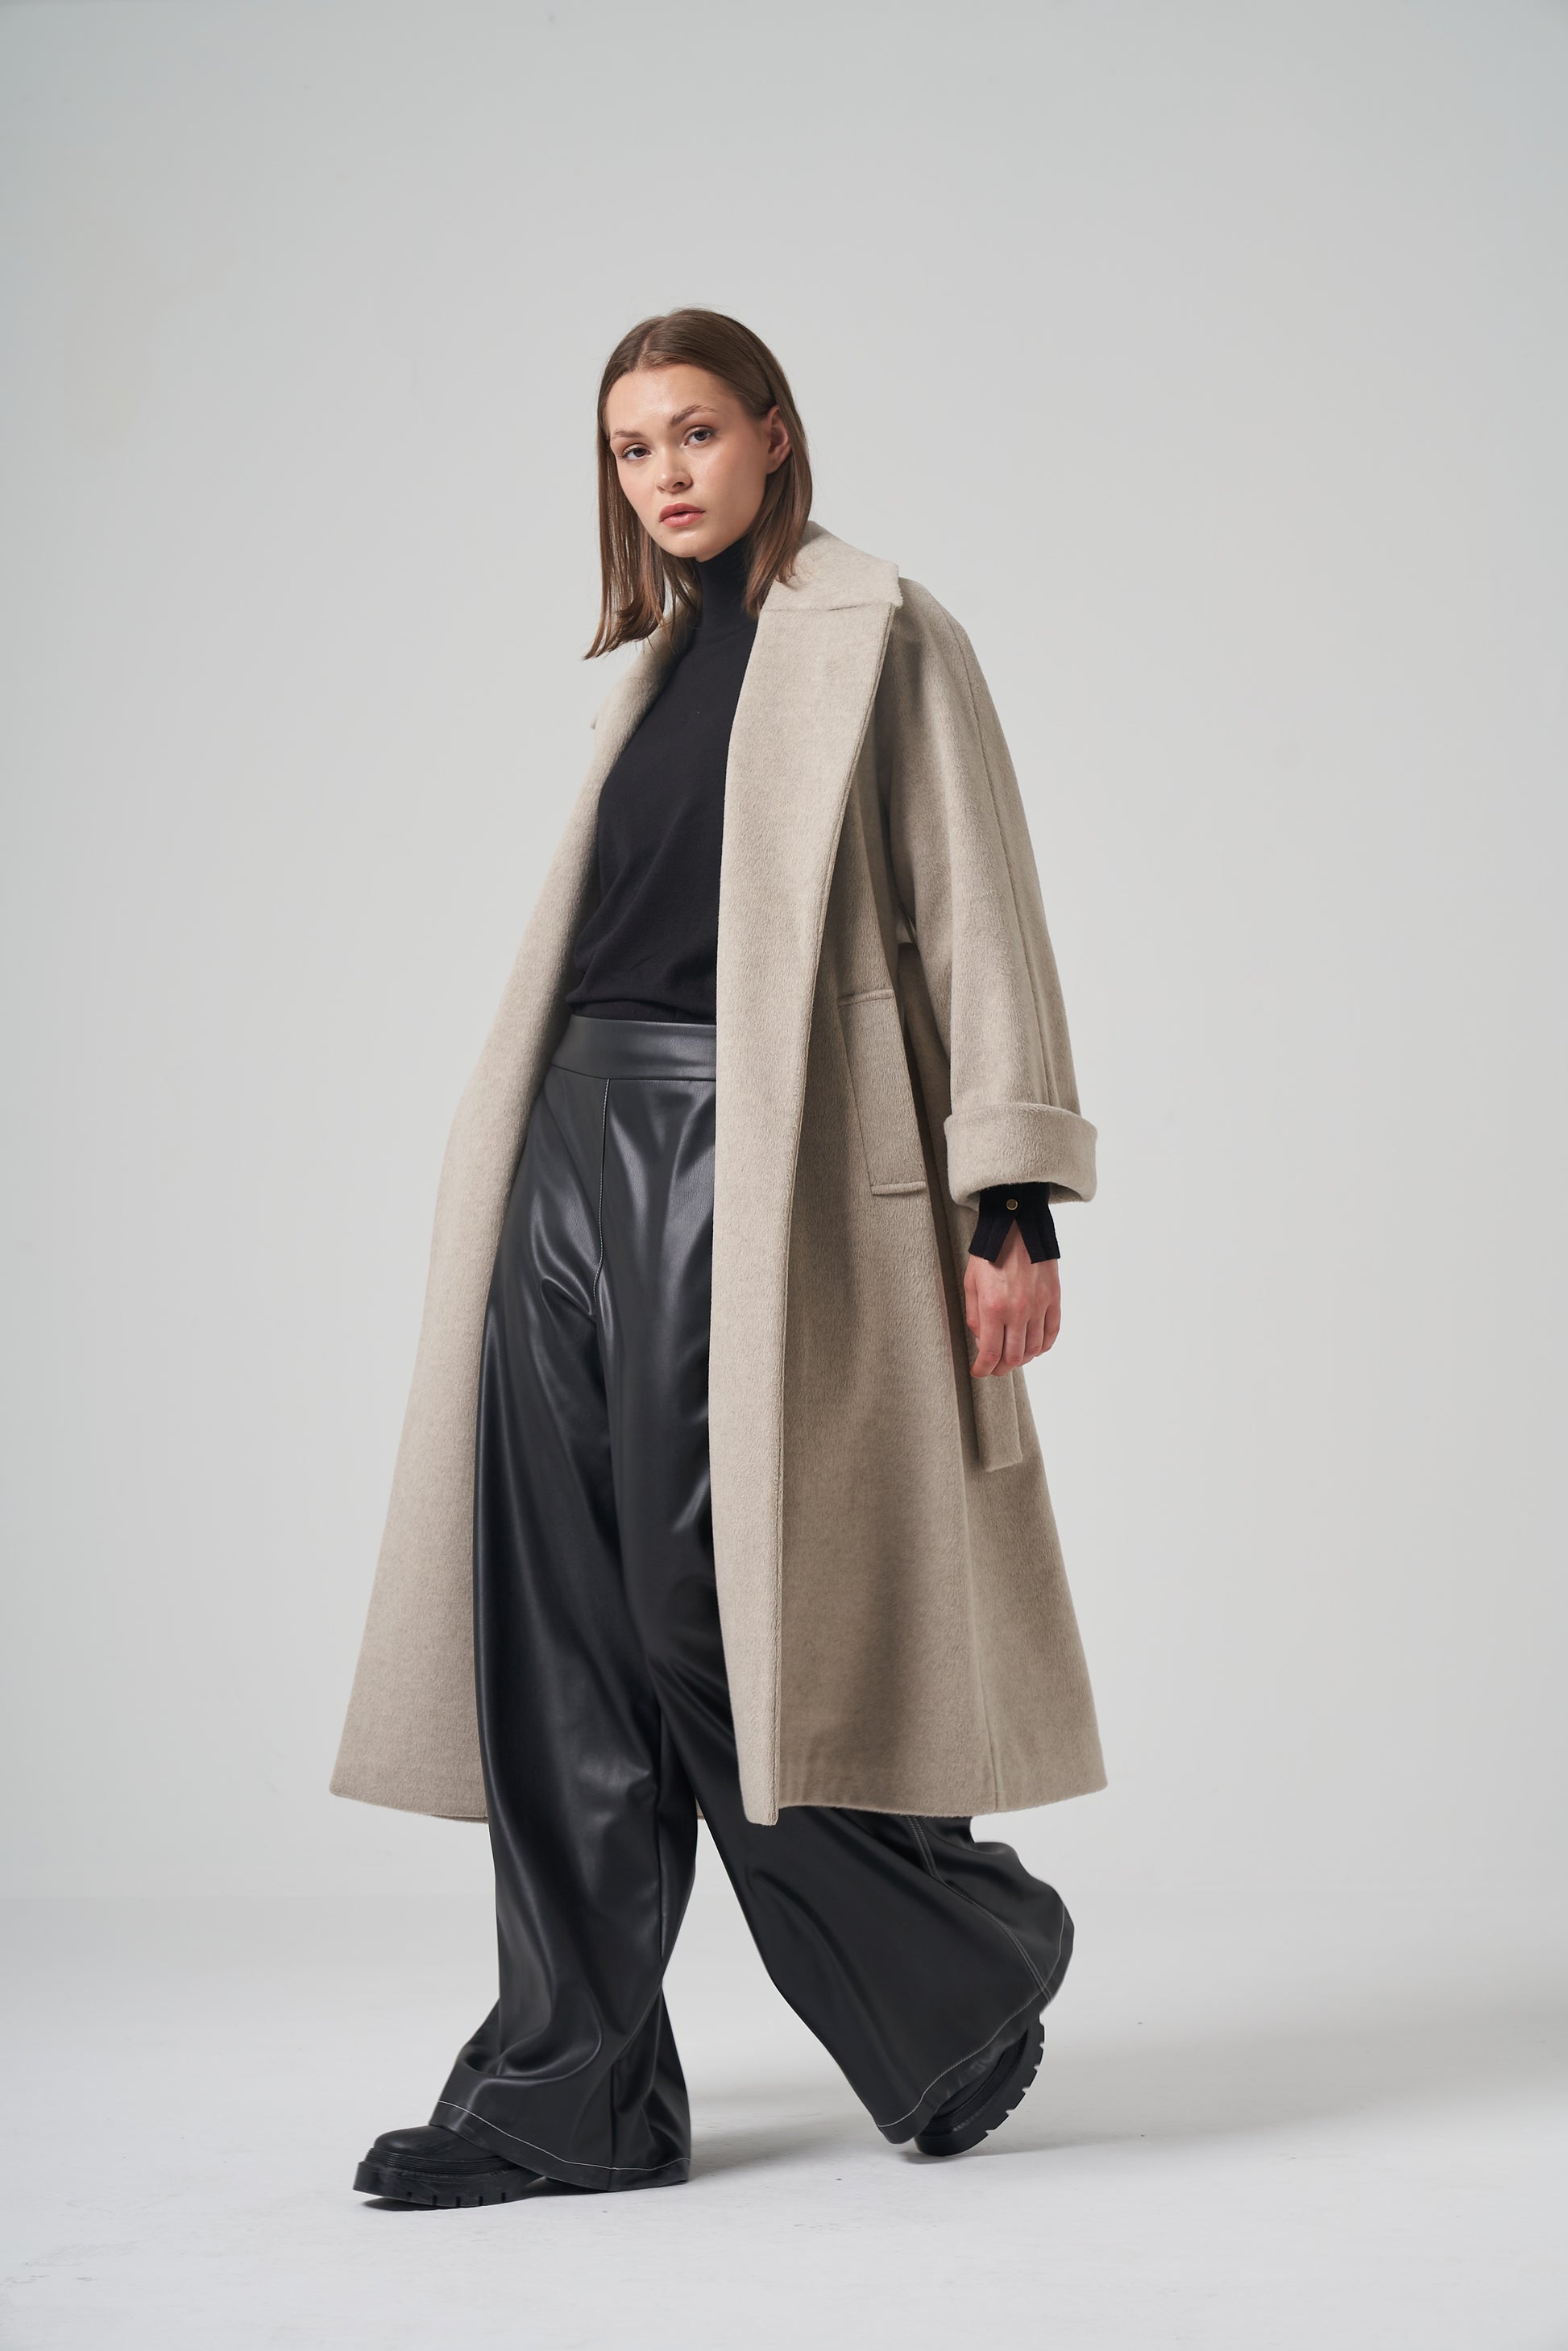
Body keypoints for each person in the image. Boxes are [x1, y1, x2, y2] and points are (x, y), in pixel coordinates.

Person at [332, 309, 1105, 2207]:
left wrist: (1007, 1199)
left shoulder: (881, 632)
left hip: (745, 1160)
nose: (663, 473)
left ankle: (955, 1962)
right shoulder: (662, 664)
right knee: (560, 1633)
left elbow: (977, 908)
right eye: (629, 447)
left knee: (715, 1620)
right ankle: (569, 2091)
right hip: (564, 1142)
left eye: (692, 432)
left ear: (771, 433)